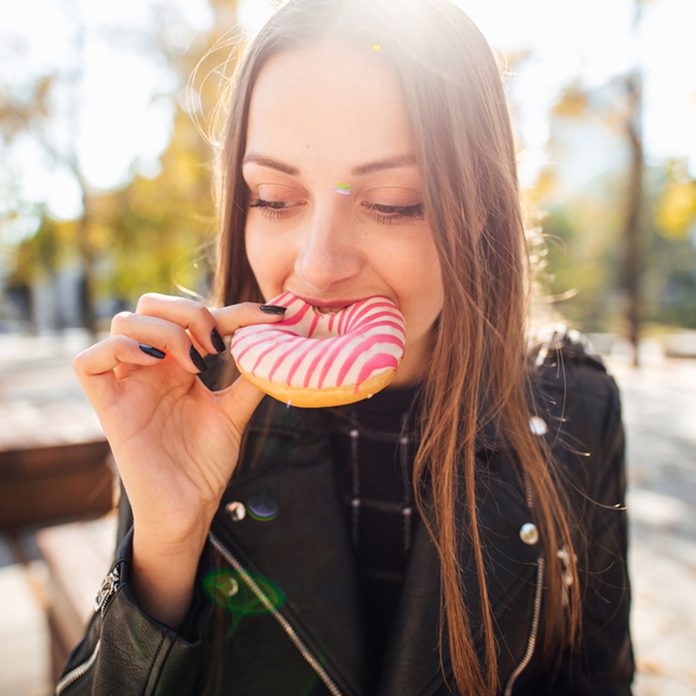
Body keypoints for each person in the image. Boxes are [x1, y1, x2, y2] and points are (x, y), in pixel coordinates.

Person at [57, 0, 634, 693]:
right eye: (273, 197)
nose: (319, 263)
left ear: (478, 204)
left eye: (393, 201)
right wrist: (165, 545)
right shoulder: (188, 399)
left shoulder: (577, 409)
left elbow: (597, 678)